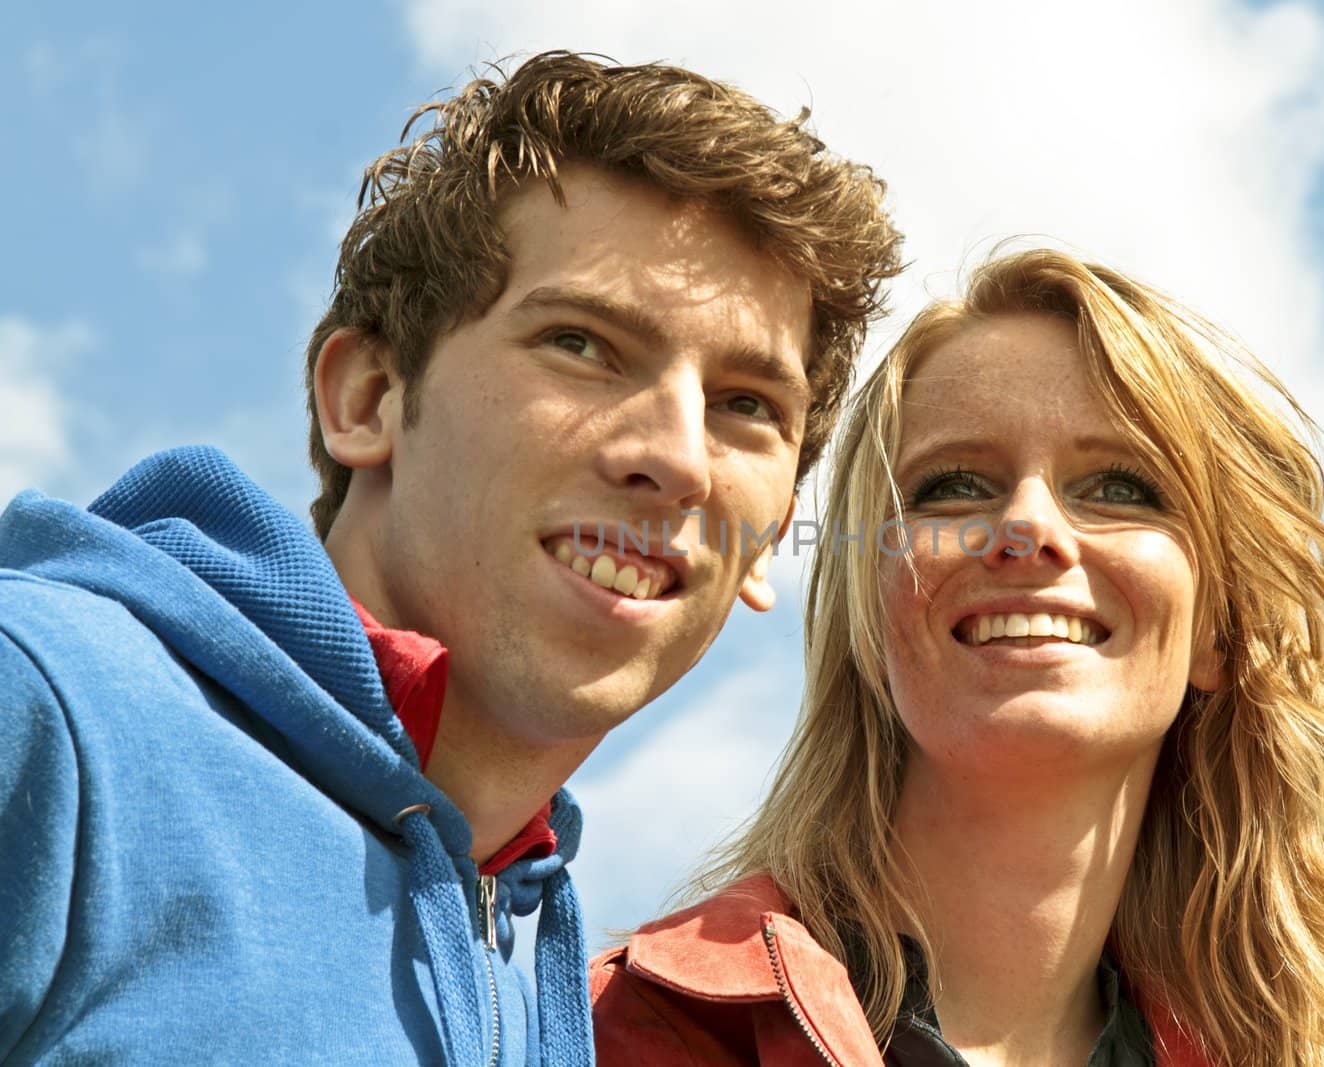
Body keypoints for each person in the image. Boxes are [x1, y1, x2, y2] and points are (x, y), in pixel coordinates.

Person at [0, 51, 900, 1065]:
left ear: (766, 538)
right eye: (582, 343)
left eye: (747, 406)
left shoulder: (541, 983)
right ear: (369, 398)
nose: (679, 458)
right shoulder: (44, 709)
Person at [590, 248, 1324, 1066]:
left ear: (1216, 631)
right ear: (870, 611)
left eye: (1119, 487)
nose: (1028, 527)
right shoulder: (609, 1034)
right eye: (954, 485)